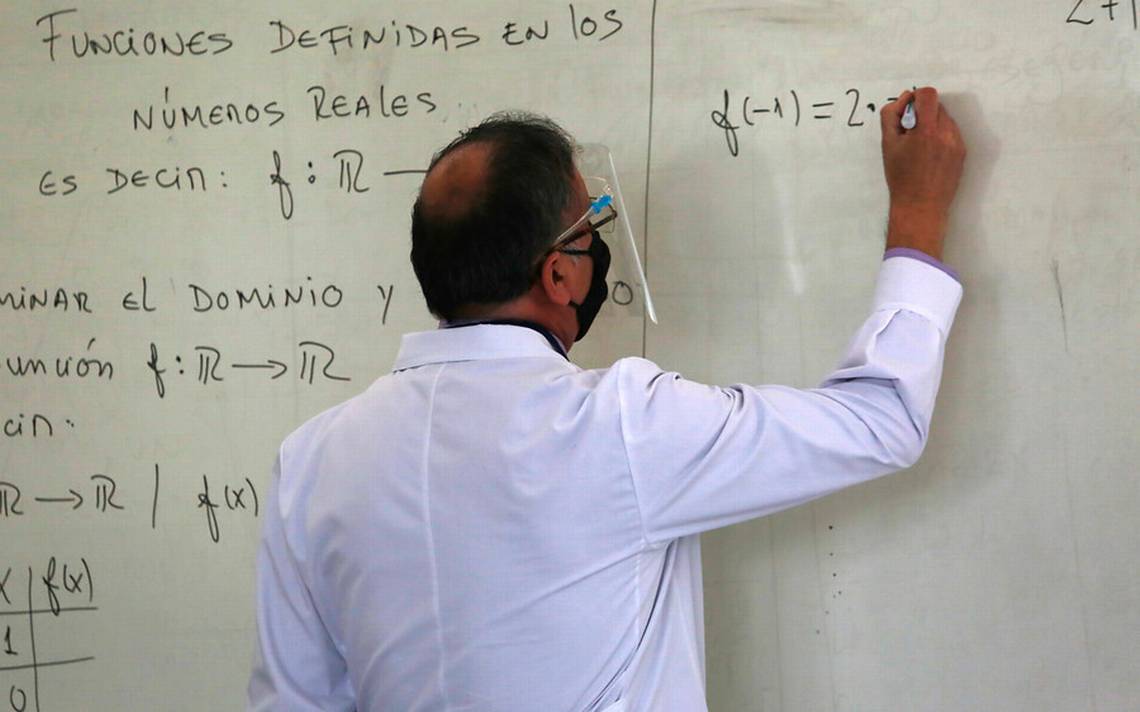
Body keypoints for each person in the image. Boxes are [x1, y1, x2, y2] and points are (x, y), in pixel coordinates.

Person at [247, 87, 966, 711]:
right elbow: (882, 420)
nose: (598, 238)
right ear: (560, 275)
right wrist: (919, 211)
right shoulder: (620, 425)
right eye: (590, 223)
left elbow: (294, 702)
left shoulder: (310, 461)